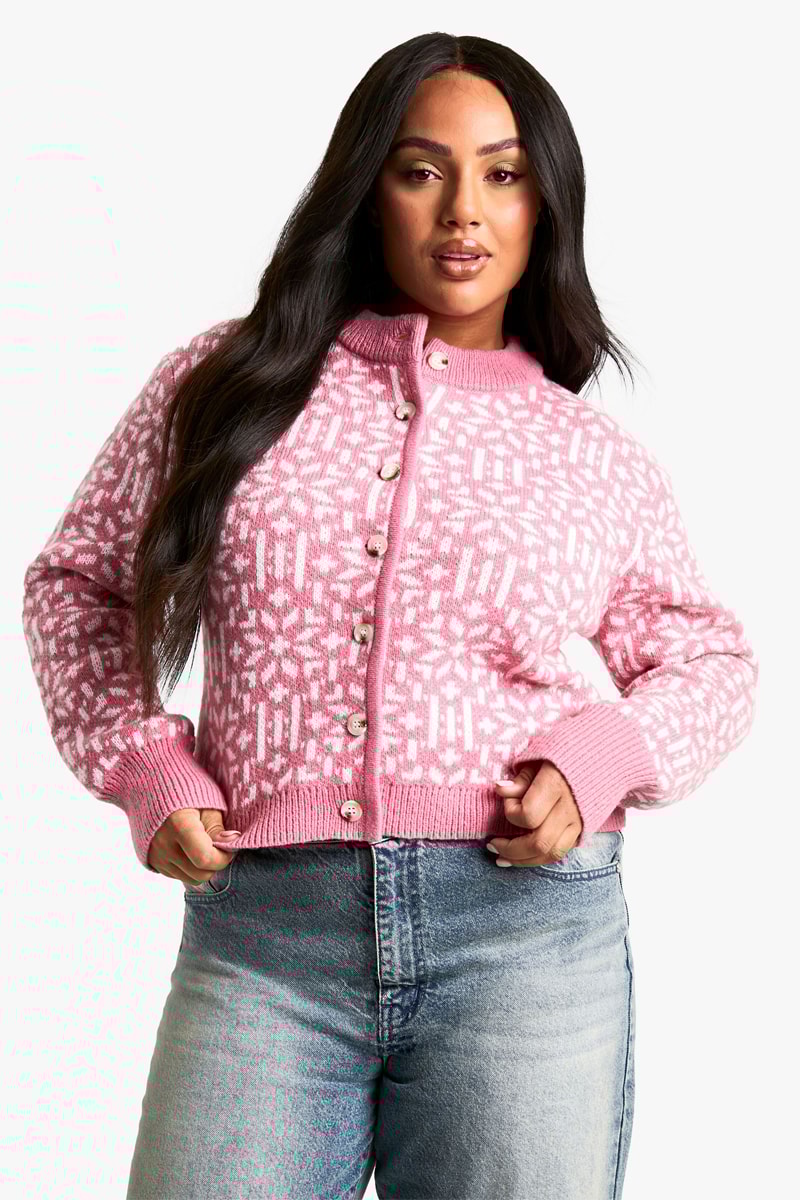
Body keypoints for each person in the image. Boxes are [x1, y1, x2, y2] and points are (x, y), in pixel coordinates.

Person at [21, 33, 759, 1200]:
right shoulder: (225, 385)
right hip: (263, 945)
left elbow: (708, 659)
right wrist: (142, 762)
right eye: (421, 171)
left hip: (523, 946)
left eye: (502, 175)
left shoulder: (587, 453)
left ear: (543, 206)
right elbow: (79, 584)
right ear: (367, 188)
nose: (462, 210)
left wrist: (597, 759)